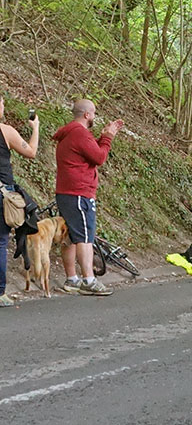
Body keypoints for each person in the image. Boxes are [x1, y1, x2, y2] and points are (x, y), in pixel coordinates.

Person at [54, 99, 123, 296]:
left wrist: (102, 138)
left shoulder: (70, 133)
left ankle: (72, 278)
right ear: (86, 115)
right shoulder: (80, 133)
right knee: (84, 236)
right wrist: (108, 136)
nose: (94, 117)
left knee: (70, 236)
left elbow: (92, 154)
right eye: (93, 114)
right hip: (79, 192)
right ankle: (89, 280)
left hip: (66, 191)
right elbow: (100, 157)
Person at [0, 96, 39, 307]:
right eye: (2, 103)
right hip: (2, 194)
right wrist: (35, 128)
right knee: (0, 242)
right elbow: (30, 152)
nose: (3, 107)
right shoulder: (6, 131)